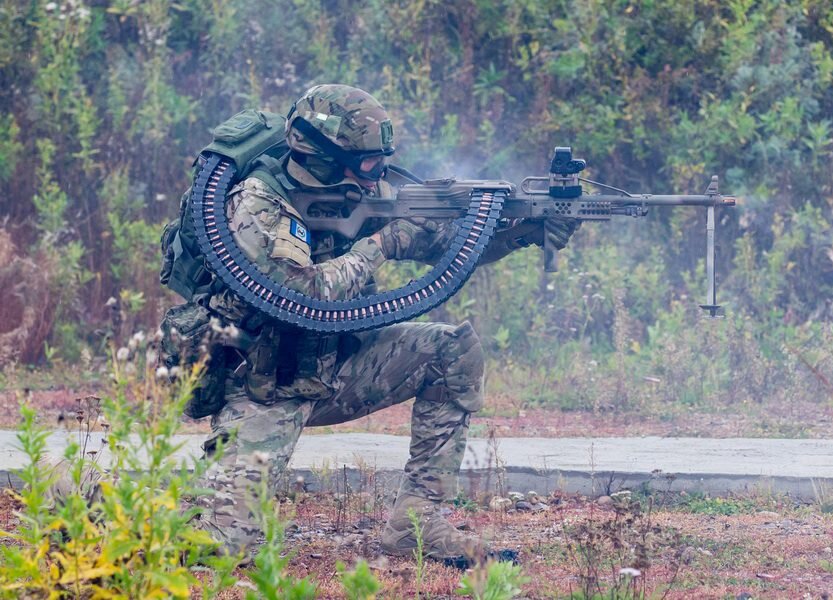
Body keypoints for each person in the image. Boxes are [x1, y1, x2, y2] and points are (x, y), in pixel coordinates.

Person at [189, 84, 578, 562]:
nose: (376, 176)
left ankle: (418, 525)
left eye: (379, 163)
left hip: (337, 369)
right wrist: (382, 245)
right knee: (224, 551)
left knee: (451, 350)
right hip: (264, 387)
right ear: (324, 157)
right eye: (367, 163)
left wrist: (522, 231)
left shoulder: (355, 192)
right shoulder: (257, 204)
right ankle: (86, 504)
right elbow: (303, 294)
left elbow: (450, 245)